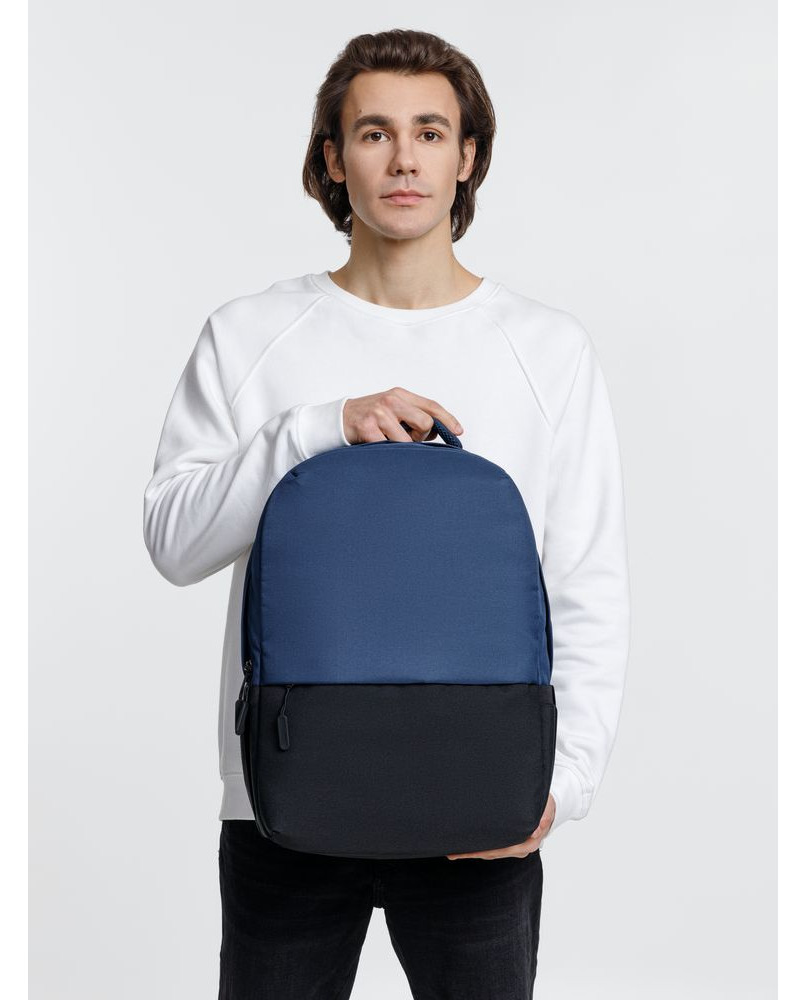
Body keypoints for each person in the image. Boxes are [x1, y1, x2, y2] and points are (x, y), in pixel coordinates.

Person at [142, 27, 631, 1000]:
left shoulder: (546, 348)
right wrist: (317, 428)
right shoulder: (249, 334)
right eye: (374, 132)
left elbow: (585, 580)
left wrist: (561, 783)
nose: (404, 159)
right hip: (284, 798)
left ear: (467, 157)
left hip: (480, 800)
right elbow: (173, 540)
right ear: (333, 158)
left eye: (430, 132)